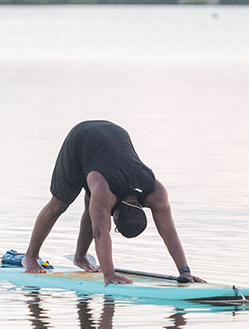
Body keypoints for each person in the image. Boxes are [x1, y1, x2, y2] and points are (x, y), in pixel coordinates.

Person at [23, 120, 205, 285]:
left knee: (94, 206)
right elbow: (100, 233)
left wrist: (185, 271)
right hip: (81, 139)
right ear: (115, 215)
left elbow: (168, 231)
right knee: (59, 204)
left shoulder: (156, 193)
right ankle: (30, 256)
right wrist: (109, 274)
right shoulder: (105, 192)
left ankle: (80, 257)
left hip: (115, 134)